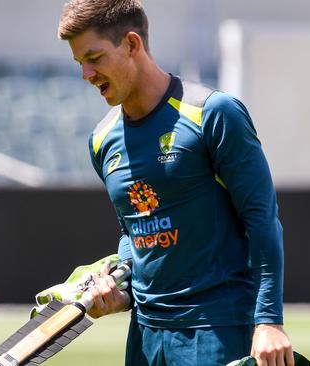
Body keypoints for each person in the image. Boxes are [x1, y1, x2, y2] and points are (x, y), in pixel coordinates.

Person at [57, 1, 293, 365]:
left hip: (217, 329)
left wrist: (268, 321)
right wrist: (121, 288)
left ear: (132, 45)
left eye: (95, 58)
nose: (86, 74)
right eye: (79, 63)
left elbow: (262, 221)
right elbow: (132, 232)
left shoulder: (213, 113)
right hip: (145, 337)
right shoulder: (101, 140)